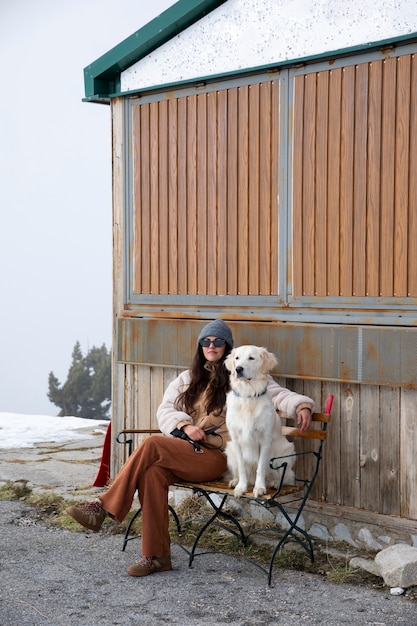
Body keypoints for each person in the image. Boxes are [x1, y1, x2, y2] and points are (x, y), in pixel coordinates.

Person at [66, 320, 314, 577]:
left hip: (217, 457)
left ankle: (101, 506)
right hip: (185, 450)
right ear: (200, 346)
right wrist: (184, 426)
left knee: (152, 443)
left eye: (218, 342)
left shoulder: (241, 375)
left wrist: (301, 405)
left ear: (226, 347)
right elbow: (165, 410)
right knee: (152, 474)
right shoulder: (188, 378)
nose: (211, 346)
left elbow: (279, 394)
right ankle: (156, 557)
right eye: (206, 341)